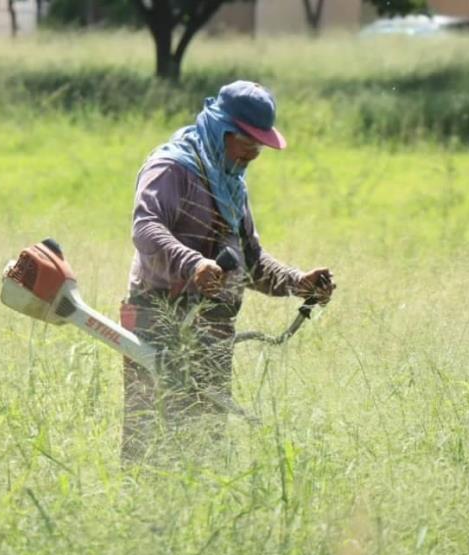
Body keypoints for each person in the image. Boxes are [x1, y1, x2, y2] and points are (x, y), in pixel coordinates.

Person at [120, 80, 335, 459]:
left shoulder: (231, 184)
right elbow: (146, 228)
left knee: (204, 442)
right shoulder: (172, 167)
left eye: (261, 143)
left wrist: (296, 282)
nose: (255, 151)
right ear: (222, 129)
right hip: (160, 320)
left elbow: (249, 260)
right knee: (153, 441)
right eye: (248, 140)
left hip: (211, 332)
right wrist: (193, 263)